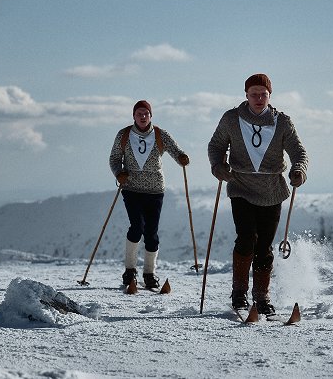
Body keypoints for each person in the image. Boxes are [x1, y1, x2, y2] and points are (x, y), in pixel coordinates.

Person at [207, 73, 308, 315]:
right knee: (246, 238)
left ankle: (262, 297)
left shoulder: (282, 122)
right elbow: (216, 146)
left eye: (263, 94)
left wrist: (298, 170)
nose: (259, 98)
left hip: (272, 190)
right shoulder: (231, 119)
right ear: (246, 96)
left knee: (264, 247)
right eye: (254, 94)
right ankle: (239, 294)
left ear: (270, 95)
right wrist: (218, 166)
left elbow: (299, 152)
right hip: (240, 186)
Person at [109, 100, 189, 290]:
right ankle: (130, 270)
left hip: (155, 190)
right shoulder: (124, 135)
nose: (143, 116)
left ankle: (149, 273)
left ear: (151, 116)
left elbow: (175, 150)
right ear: (134, 116)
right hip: (131, 188)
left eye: (146, 113)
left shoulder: (160, 135)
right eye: (139, 114)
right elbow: (114, 158)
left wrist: (181, 158)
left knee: (151, 233)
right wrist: (119, 173)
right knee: (137, 227)